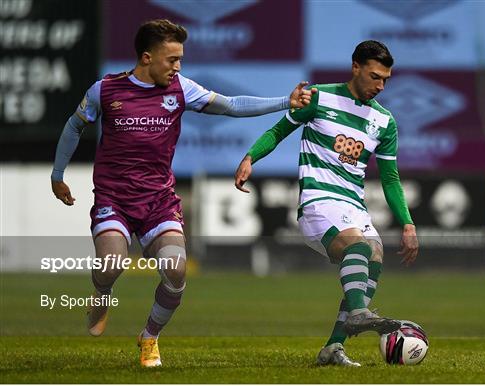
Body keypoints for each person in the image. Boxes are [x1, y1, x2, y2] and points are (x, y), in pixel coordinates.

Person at [51, 19, 315, 368]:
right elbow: (74, 125)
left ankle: (149, 338)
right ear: (147, 58)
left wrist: (287, 101)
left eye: (180, 59)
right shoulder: (106, 90)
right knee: (111, 263)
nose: (177, 66)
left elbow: (233, 105)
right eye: (171, 59)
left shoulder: (181, 89)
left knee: (175, 271)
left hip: (159, 202)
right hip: (114, 199)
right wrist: (58, 175)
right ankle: (101, 293)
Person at [234, 40, 419, 367]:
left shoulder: (385, 121)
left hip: (353, 204)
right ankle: (359, 314)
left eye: (386, 80)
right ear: (356, 67)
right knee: (358, 247)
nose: (380, 86)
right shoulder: (318, 98)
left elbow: (390, 179)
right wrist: (251, 157)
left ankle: (334, 347)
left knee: (375, 256)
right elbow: (278, 131)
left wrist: (406, 222)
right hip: (318, 200)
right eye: (375, 76)